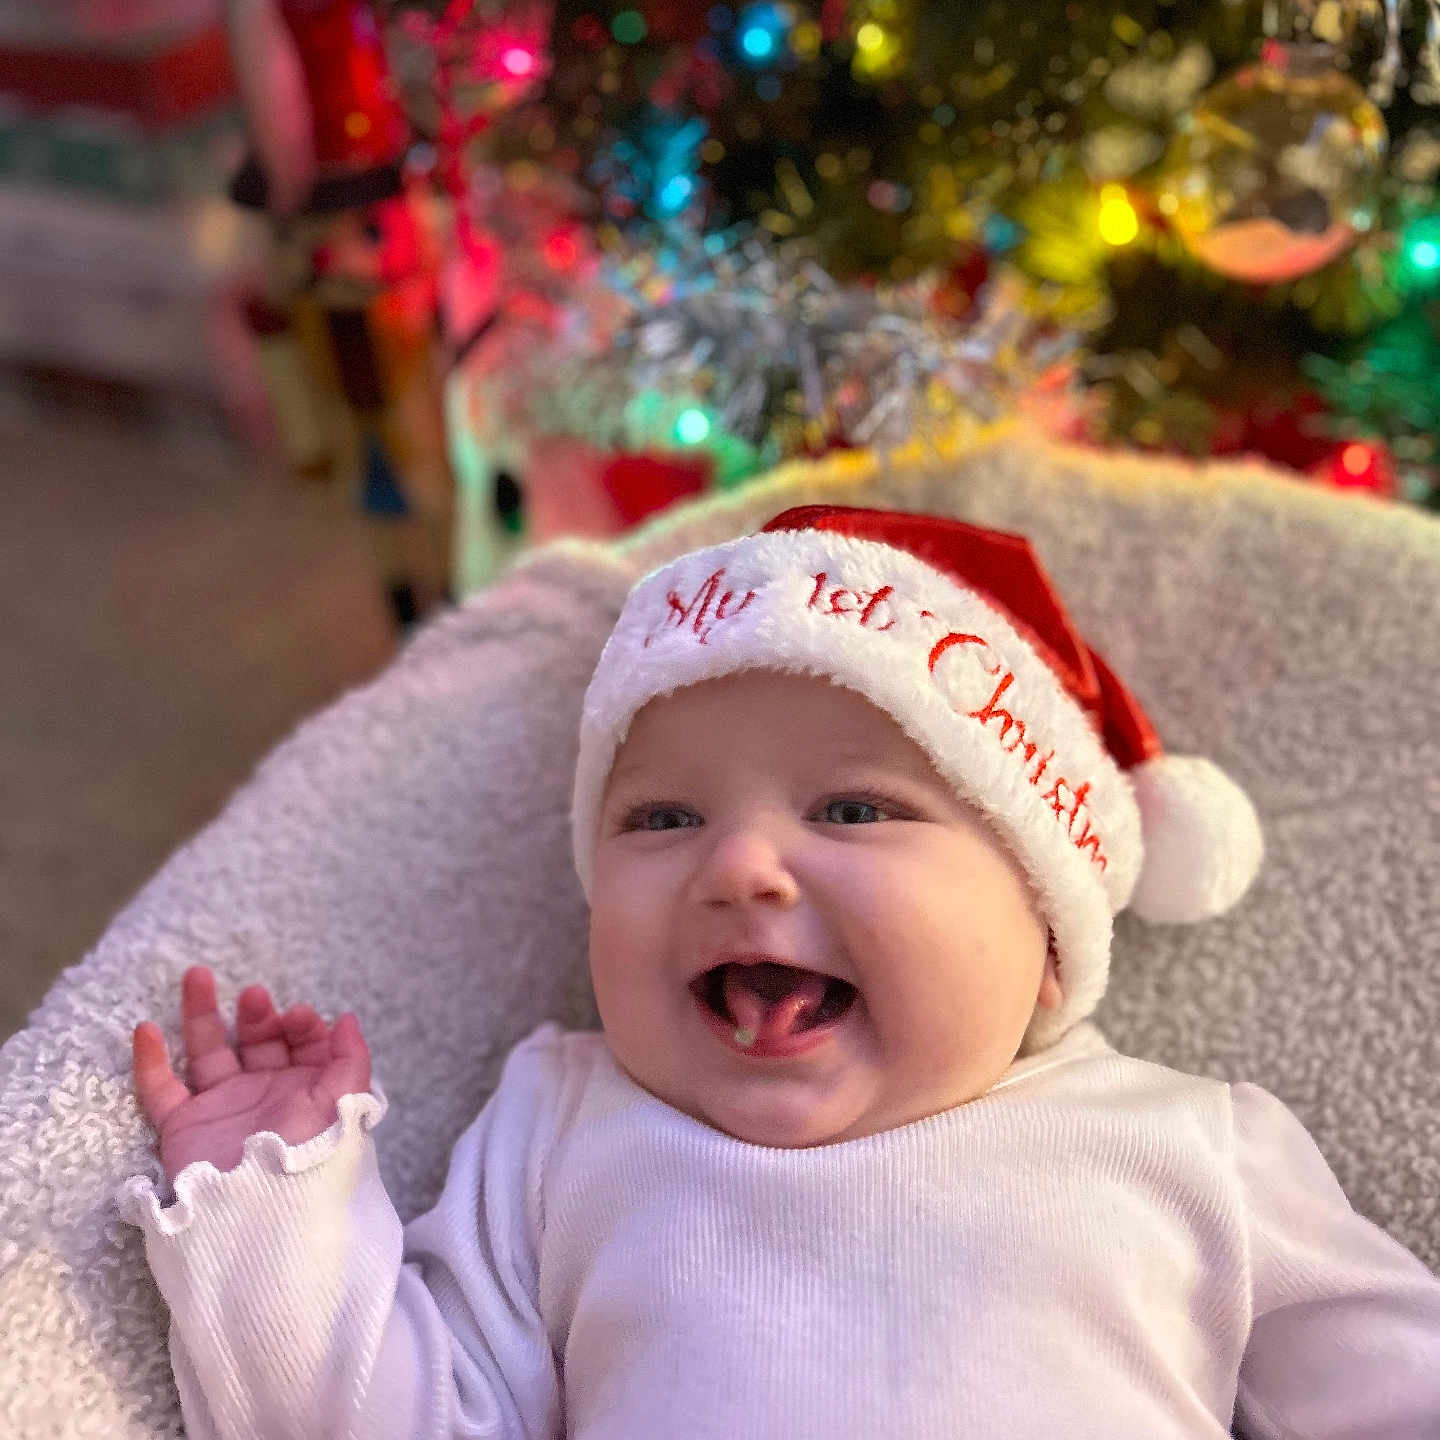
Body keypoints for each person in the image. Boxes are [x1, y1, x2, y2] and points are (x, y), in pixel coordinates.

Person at [120, 505, 1440, 1439]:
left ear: (1049, 933)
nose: (741, 865)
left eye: (857, 811)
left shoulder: (1187, 1150)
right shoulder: (566, 1124)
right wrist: (267, 1210)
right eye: (660, 819)